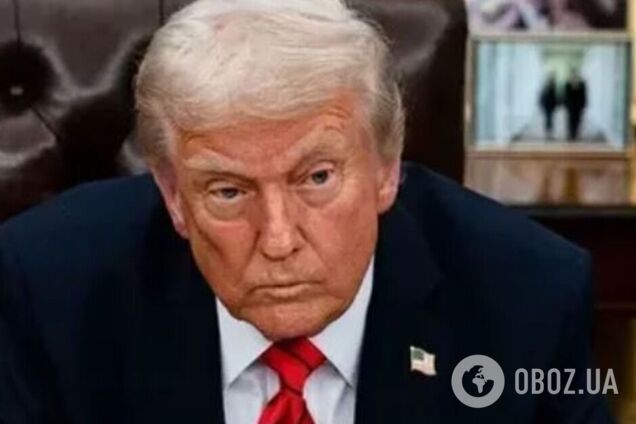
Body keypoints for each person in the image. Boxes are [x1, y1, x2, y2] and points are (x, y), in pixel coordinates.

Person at [0, 0, 612, 422]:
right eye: (229, 191)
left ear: (386, 170)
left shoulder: (527, 298)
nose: (278, 239)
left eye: (317, 178)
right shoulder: (49, 290)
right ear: (173, 196)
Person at [564, 68, 588, 141]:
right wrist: (566, 105)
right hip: (570, 107)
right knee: (570, 120)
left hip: (579, 107)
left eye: (575, 75)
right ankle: (571, 134)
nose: (574, 76)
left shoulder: (582, 84)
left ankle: (576, 134)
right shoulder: (567, 84)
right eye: (572, 75)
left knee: (578, 121)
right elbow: (565, 96)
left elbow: (584, 96)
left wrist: (583, 105)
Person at [539, 72, 559, 139]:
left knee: (550, 119)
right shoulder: (546, 86)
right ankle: (548, 134)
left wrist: (556, 104)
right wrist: (542, 104)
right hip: (546, 105)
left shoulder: (553, 85)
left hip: (551, 105)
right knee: (548, 119)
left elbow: (555, 97)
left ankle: (549, 134)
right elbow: (542, 96)